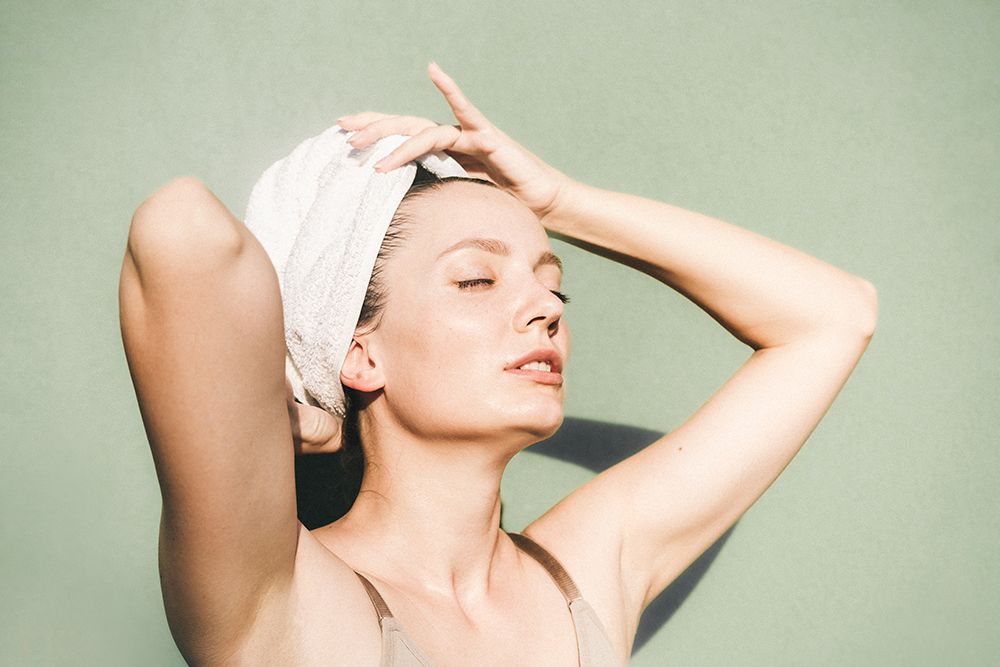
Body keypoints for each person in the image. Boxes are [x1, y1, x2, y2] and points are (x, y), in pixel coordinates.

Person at [118, 62, 878, 666]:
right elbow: (180, 230)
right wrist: (289, 411)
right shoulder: (281, 597)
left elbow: (835, 315)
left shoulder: (584, 571)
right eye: (476, 279)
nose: (544, 309)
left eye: (553, 283)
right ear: (361, 354)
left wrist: (562, 201)